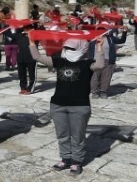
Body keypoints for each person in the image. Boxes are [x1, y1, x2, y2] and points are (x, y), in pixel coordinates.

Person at [28, 36, 101, 175]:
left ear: (82, 48)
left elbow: (100, 65)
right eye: (66, 47)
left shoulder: (87, 64)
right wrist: (32, 43)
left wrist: (99, 47)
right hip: (58, 105)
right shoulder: (59, 61)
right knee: (62, 134)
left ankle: (76, 161)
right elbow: (37, 57)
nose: (68, 50)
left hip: (79, 106)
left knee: (77, 136)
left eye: (72, 48)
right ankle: (65, 158)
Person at [89, 26, 127, 99]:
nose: (101, 32)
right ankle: (95, 91)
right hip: (95, 60)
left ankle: (103, 91)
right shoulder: (92, 39)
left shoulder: (110, 38)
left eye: (102, 30)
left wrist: (124, 32)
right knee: (95, 77)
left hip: (108, 60)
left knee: (106, 77)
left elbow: (121, 41)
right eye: (99, 30)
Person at [16, 24, 37, 94]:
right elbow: (16, 31)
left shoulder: (35, 36)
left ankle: (30, 89)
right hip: (21, 57)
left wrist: (31, 32)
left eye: (27, 28)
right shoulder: (20, 36)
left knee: (32, 74)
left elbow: (41, 30)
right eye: (25, 28)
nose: (25, 30)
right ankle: (23, 87)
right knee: (21, 74)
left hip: (31, 57)